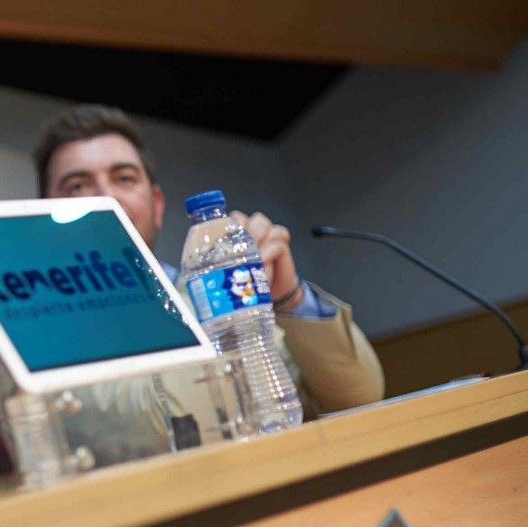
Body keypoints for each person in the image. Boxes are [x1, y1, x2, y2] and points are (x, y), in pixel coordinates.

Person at [32, 105, 384, 419]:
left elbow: (360, 398)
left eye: (124, 178)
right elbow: (158, 423)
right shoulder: (46, 327)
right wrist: (227, 325)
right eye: (77, 186)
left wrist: (288, 298)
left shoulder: (218, 285)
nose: (105, 198)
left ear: (156, 205)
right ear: (45, 214)